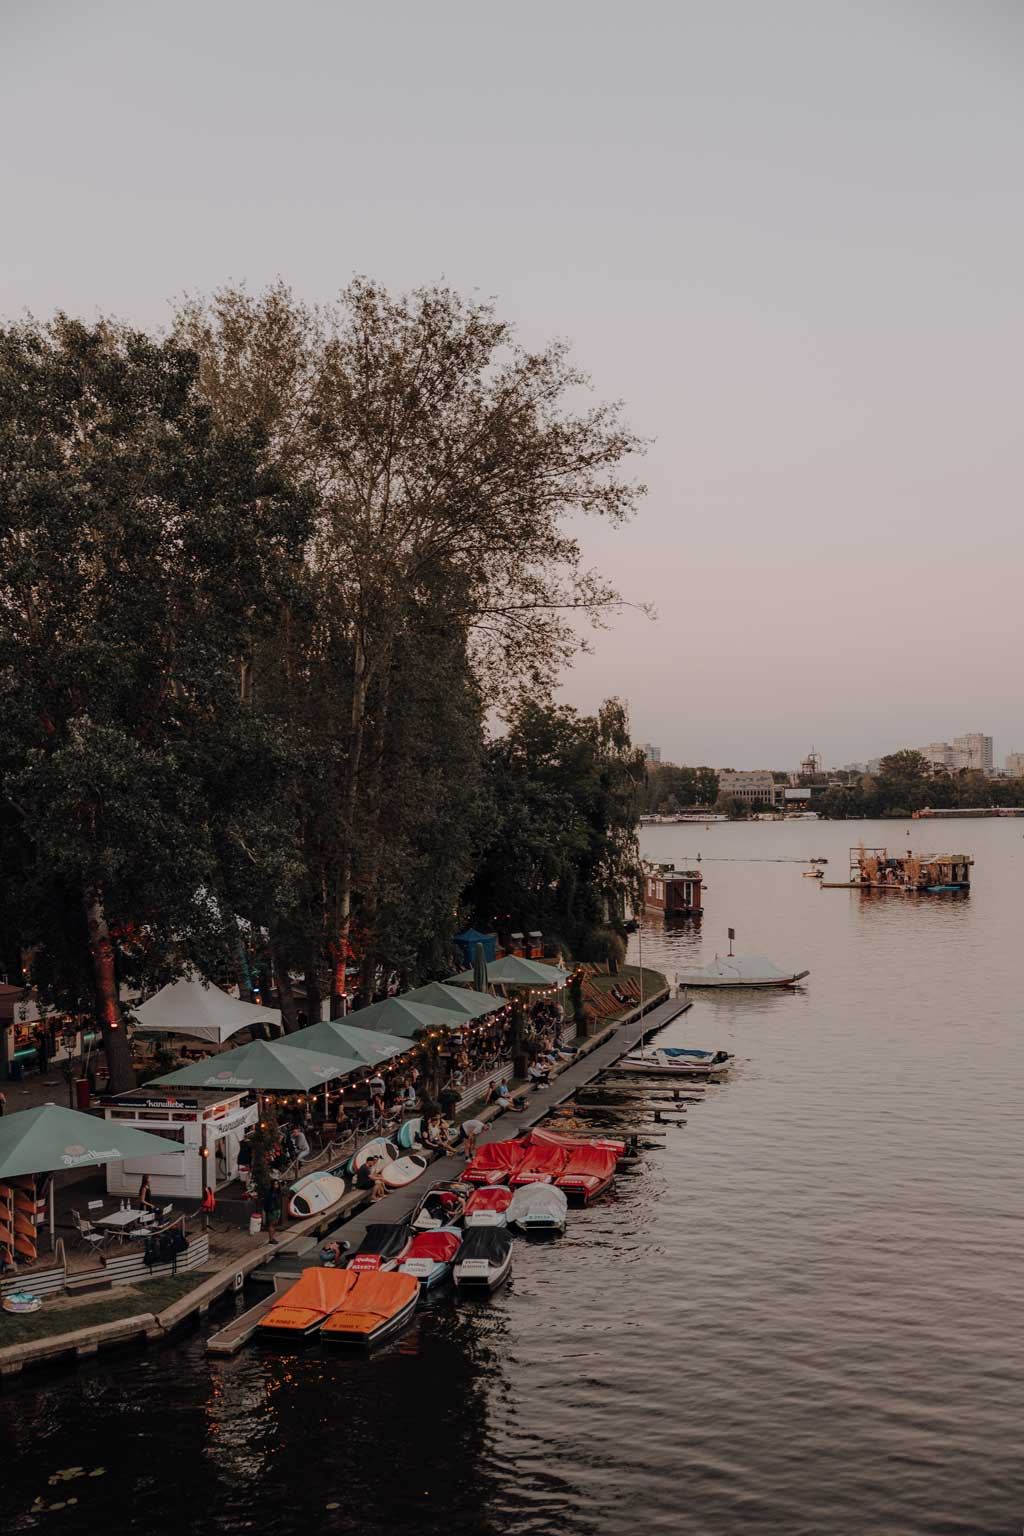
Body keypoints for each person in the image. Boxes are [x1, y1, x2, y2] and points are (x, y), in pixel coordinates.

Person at [263, 1175, 283, 1243]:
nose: (276, 1185)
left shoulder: (278, 1192)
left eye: (277, 1184)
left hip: (278, 1209)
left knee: (275, 1224)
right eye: (275, 1184)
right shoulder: (270, 1193)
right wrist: (268, 1210)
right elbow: (267, 1202)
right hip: (272, 1210)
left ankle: (273, 1238)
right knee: (271, 1224)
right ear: (272, 1185)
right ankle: (271, 1239)